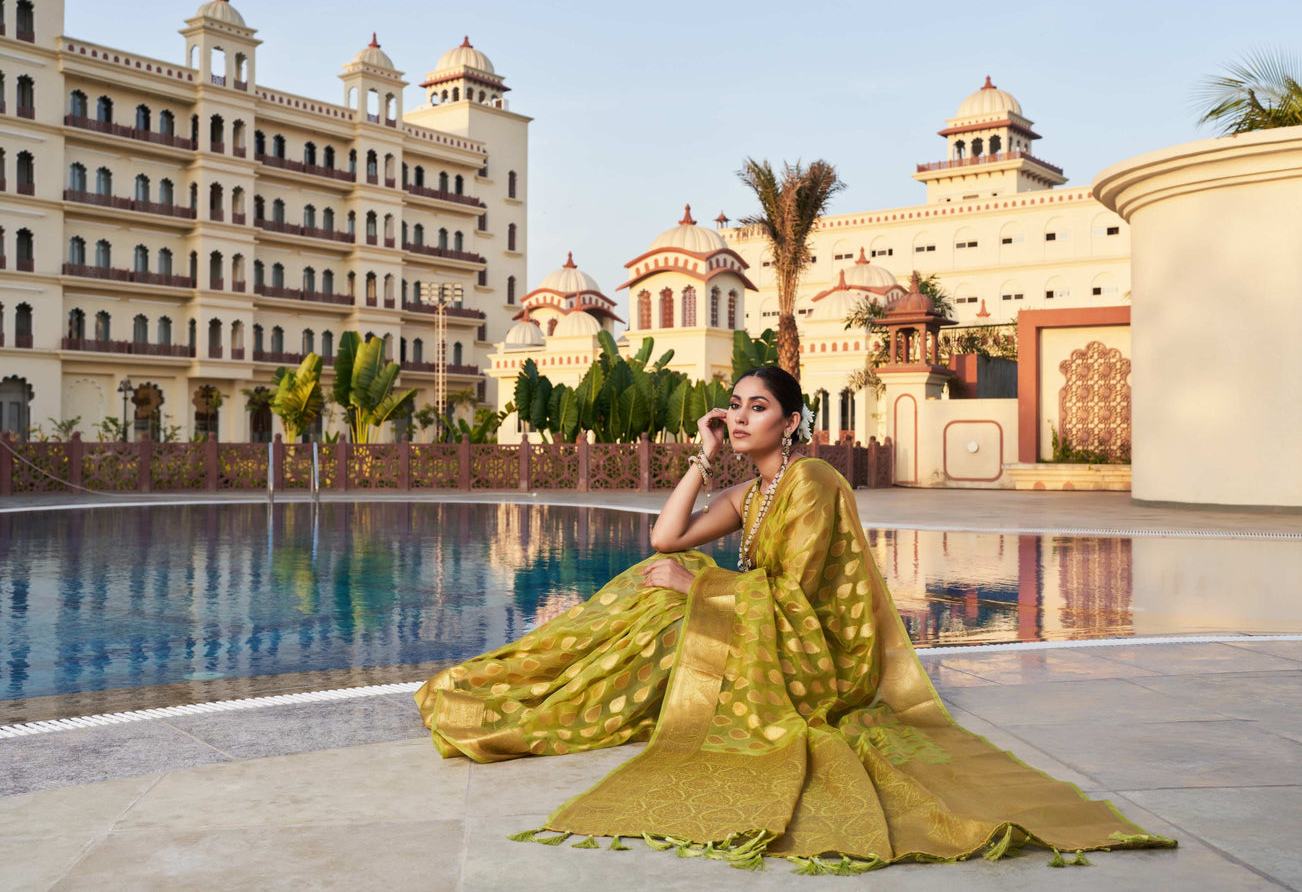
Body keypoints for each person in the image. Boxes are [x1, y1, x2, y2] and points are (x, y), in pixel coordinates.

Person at [415, 365, 1173, 873]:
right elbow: (665, 537)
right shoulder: (750, 492)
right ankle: (533, 691)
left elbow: (806, 602)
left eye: (757, 408)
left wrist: (699, 592)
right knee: (650, 581)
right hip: (762, 627)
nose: (741, 417)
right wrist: (702, 457)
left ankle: (550, 710)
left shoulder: (811, 481)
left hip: (817, 659)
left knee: (673, 602)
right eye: (734, 407)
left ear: (793, 421)